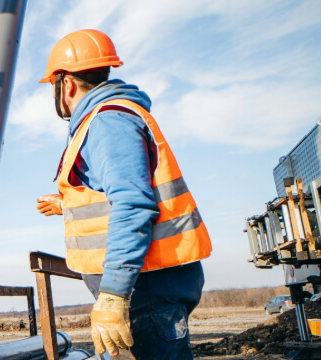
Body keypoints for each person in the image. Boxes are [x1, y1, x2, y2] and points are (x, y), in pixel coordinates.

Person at [34, 29, 212, 359]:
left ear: (66, 84)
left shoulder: (107, 122)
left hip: (145, 288)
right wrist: (68, 205)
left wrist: (114, 293)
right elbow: (117, 194)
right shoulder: (108, 119)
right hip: (144, 285)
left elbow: (132, 204)